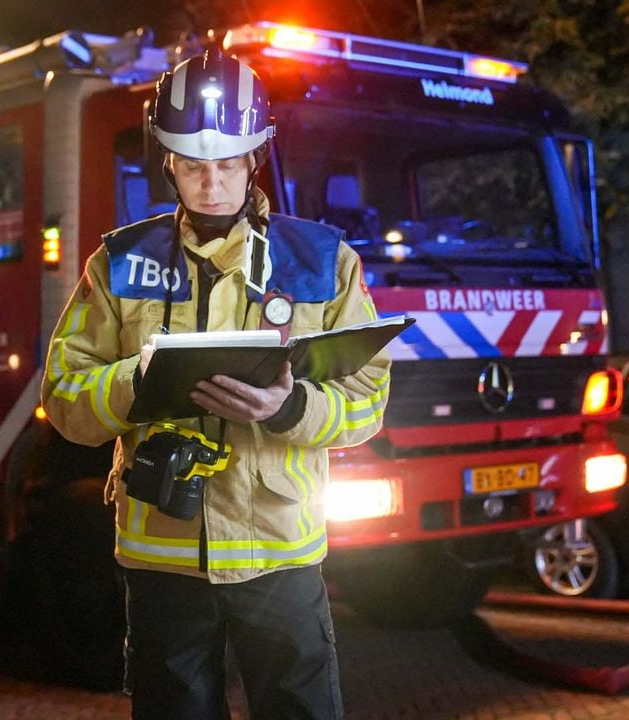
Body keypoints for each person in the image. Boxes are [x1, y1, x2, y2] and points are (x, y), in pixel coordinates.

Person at [40, 50, 391, 720]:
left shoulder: (323, 261)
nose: (210, 183)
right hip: (163, 555)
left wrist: (289, 406)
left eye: (227, 163)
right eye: (192, 164)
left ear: (255, 155)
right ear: (166, 161)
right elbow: (64, 399)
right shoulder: (118, 263)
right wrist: (137, 382)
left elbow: (368, 399)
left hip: (280, 553)